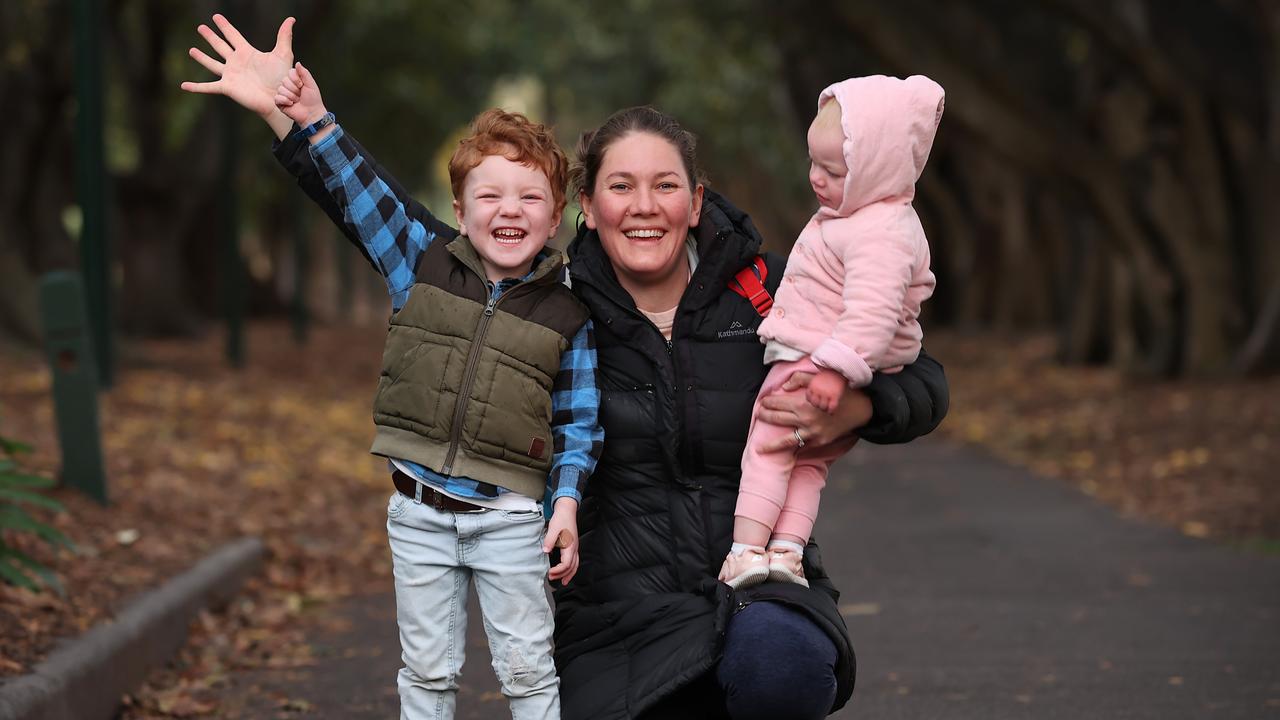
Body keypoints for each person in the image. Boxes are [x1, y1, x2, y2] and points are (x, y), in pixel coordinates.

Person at [183, 14, 949, 720]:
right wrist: (298, 119)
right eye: (620, 186)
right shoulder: (543, 304)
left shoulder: (770, 291)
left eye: (664, 186)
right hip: (614, 623)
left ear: (694, 201)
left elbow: (920, 375)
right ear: (586, 205)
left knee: (783, 668)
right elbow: (397, 228)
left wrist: (858, 409)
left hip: (755, 591)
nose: (642, 206)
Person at [187, 21, 603, 720]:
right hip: (419, 514)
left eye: (530, 198)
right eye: (490, 197)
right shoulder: (419, 262)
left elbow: (579, 423)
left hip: (511, 519)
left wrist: (564, 507)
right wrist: (312, 118)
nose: (510, 211)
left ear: (556, 215)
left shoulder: (568, 312)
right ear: (460, 212)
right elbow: (361, 191)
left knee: (530, 672)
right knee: (427, 673)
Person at [719, 75, 944, 590]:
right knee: (806, 466)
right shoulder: (867, 218)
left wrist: (837, 372)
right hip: (824, 356)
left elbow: (873, 311)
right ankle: (787, 551)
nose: (818, 179)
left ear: (877, 169)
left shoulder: (880, 232)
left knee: (769, 446)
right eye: (814, 164)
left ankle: (745, 549)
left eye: (834, 170)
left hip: (815, 358)